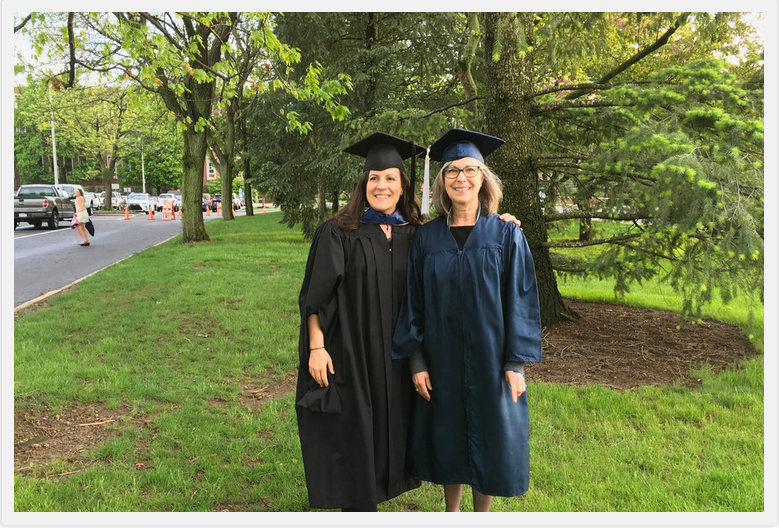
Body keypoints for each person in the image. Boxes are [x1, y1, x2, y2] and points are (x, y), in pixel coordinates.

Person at [392, 128, 543, 512]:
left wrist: (515, 362)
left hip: (492, 359)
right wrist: (417, 360)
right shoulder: (426, 239)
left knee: (491, 436)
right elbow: (414, 301)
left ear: (483, 178)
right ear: (442, 182)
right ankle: (452, 513)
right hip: (440, 359)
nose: (461, 178)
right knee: (448, 432)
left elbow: (521, 299)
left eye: (470, 170)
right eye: (453, 171)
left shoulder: (506, 234)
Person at [295, 132, 425, 511]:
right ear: (363, 184)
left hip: (398, 356)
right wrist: (316, 347)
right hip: (350, 350)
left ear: (402, 186)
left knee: (392, 425)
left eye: (390, 178)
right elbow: (314, 298)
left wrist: (502, 218)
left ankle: (380, 491)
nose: (381, 185)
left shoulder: (416, 232)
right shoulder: (338, 232)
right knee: (355, 427)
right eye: (373, 178)